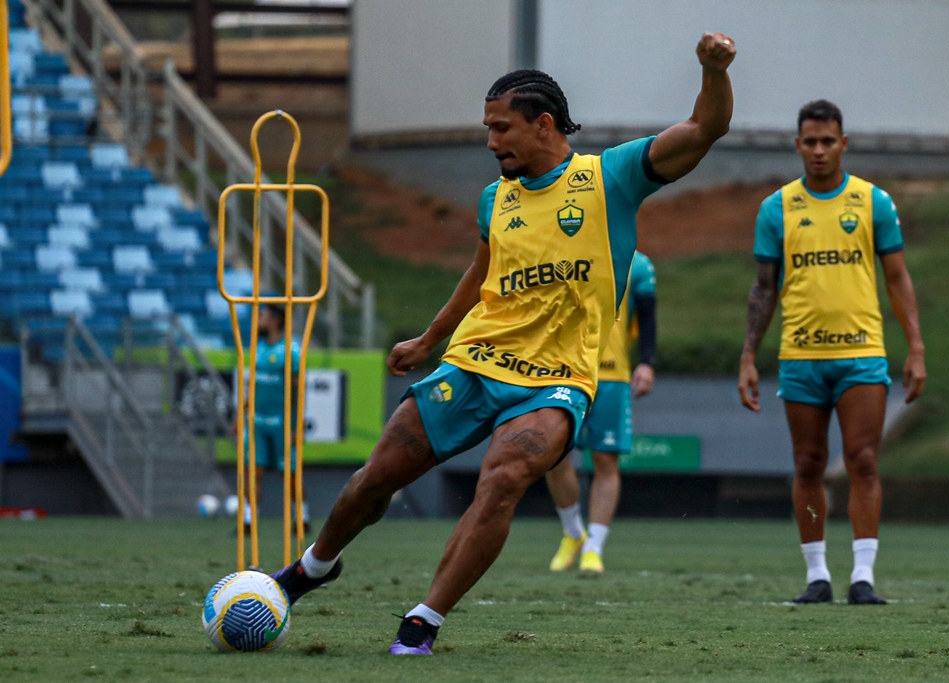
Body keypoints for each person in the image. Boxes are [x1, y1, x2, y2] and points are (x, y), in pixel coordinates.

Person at [270, 32, 735, 655]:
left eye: (500, 128)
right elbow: (481, 273)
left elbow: (705, 128)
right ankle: (315, 567)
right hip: (474, 362)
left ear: (543, 125)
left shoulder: (612, 178)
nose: (491, 143)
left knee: (504, 476)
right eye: (487, 129)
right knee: (377, 476)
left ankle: (424, 620)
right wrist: (431, 339)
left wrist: (712, 70)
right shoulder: (496, 199)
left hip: (558, 379)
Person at [737, 100, 926, 605]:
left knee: (863, 460)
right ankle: (817, 574)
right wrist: (749, 356)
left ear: (844, 143)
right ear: (797, 146)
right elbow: (763, 288)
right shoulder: (777, 208)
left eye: (828, 141)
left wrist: (916, 348)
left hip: (862, 353)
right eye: (810, 142)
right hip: (801, 355)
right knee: (808, 464)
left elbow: (897, 277)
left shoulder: (872, 203)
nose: (819, 150)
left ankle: (863, 576)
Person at [546, 251, 657, 574]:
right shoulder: (566, 249)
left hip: (611, 375)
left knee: (606, 460)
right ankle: (572, 532)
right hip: (562, 371)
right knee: (553, 455)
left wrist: (647, 363)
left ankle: (593, 546)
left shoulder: (637, 264)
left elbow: (648, 316)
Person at [238, 303, 309, 534]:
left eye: (264, 316)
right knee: (252, 471)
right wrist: (242, 413)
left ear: (276, 321)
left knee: (288, 473)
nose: (258, 320)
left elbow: (299, 390)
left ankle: (301, 518)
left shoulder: (291, 351)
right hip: (257, 421)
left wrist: (296, 425)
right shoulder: (257, 347)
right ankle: (249, 521)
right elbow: (252, 385)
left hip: (282, 423)